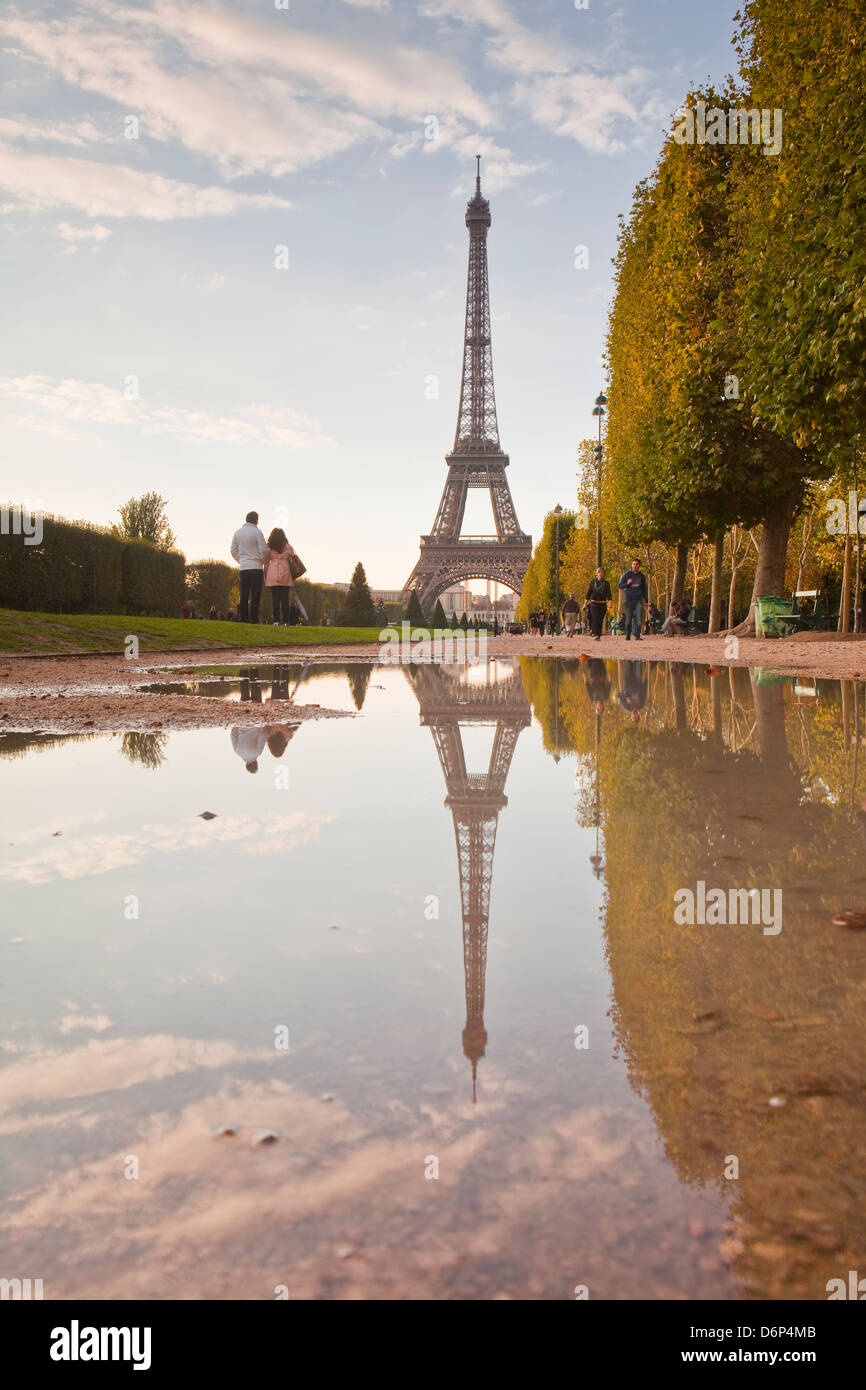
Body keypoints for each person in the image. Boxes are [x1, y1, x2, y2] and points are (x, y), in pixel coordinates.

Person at [230, 510, 268, 624]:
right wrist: (261, 559)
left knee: (244, 594)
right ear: (256, 520)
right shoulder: (257, 532)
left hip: (244, 567)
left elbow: (233, 549)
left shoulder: (238, 532)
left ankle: (243, 618)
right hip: (256, 566)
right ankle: (253, 619)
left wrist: (240, 560)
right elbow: (264, 549)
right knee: (255, 595)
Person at [264, 526, 296, 625]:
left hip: (273, 570)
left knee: (275, 598)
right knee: (285, 598)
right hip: (285, 571)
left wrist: (266, 576)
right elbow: (292, 558)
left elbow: (266, 563)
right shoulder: (288, 547)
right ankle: (286, 621)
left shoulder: (268, 547)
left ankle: (276, 620)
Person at [618, 558, 648, 641]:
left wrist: (646, 601)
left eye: (636, 564)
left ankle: (637, 636)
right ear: (632, 565)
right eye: (634, 564)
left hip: (638, 600)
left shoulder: (642, 576)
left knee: (638, 618)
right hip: (628, 600)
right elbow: (620, 586)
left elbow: (645, 589)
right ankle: (628, 635)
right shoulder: (626, 575)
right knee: (628, 619)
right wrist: (627, 583)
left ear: (639, 566)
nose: (635, 566)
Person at [584, 568, 612, 640]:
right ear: (596, 574)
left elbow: (609, 594)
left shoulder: (606, 584)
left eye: (602, 572)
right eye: (599, 572)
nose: (600, 573)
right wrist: (585, 604)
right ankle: (596, 634)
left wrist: (610, 602)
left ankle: (598, 634)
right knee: (595, 618)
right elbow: (588, 593)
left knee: (600, 620)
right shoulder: (592, 582)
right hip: (593, 604)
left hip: (602, 604)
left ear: (603, 574)